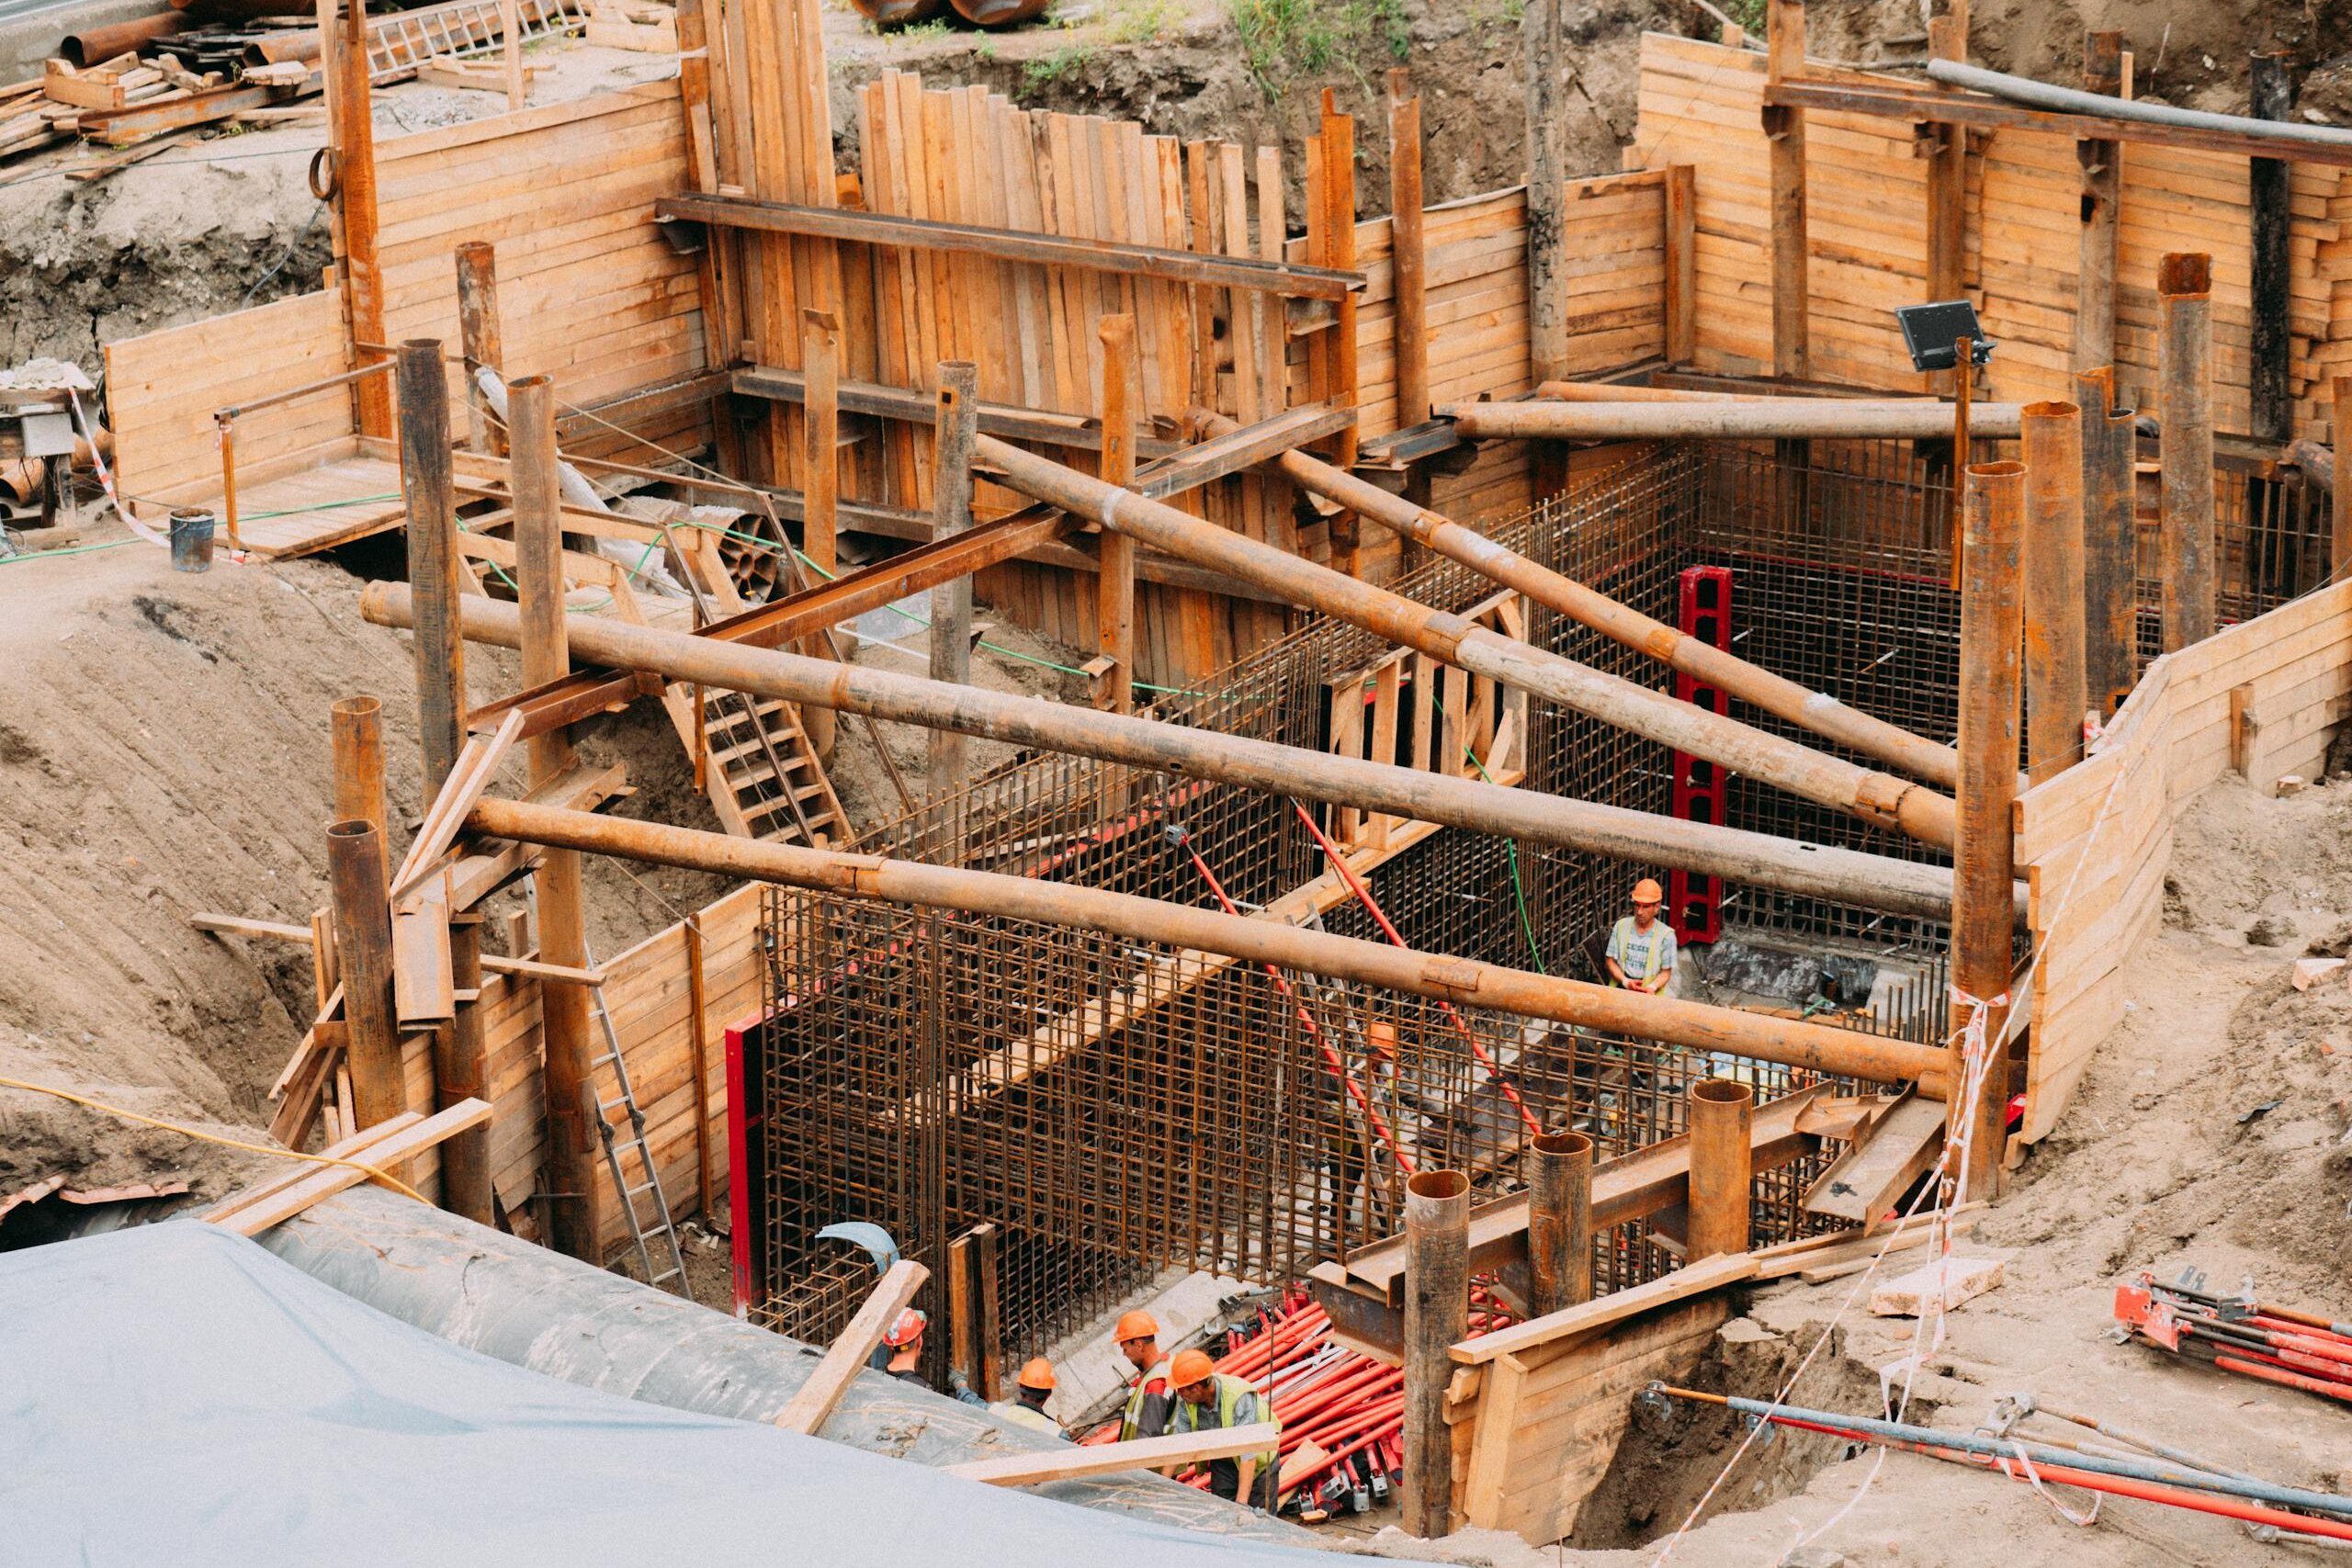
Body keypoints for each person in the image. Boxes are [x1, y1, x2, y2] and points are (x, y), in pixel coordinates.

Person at [1163, 1348, 1282, 1511]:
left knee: (1259, 1520)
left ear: (1196, 1388)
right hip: (1225, 1461)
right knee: (1223, 1514)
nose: (1179, 1393)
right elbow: (1179, 1445)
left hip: (1259, 1464)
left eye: (1181, 1389)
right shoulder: (1186, 1400)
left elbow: (1248, 1454)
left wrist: (1241, 1505)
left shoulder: (1239, 1397)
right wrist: (1162, 1485)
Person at [1604, 877, 1678, 995]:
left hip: (1649, 992)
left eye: (1646, 907)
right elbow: (1609, 961)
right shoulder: (1621, 926)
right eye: (1637, 905)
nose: (1639, 912)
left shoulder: (1667, 935)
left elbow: (1666, 972)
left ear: (1657, 907)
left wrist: (1652, 987)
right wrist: (1625, 981)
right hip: (1621, 988)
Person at [1115, 1310, 1174, 1441]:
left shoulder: (1155, 1384)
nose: (1124, 1354)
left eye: (1125, 1349)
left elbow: (1147, 1441)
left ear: (1139, 1345)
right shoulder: (1165, 1367)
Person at [987, 1358, 1068, 1439]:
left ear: (1020, 1387)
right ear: (1048, 1395)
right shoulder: (1056, 1433)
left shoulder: (994, 1411)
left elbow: (974, 1401)